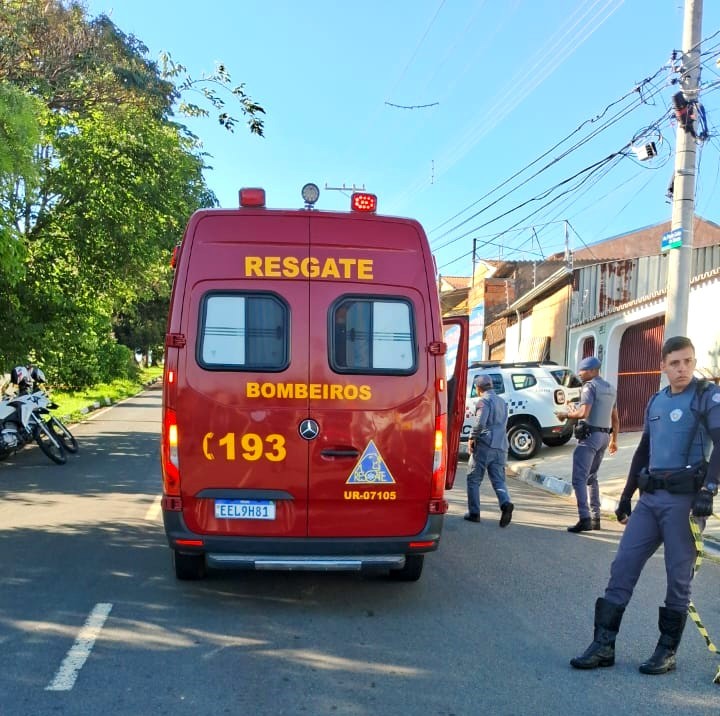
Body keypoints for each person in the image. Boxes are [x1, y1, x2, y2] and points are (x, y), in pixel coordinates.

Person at [570, 336, 720, 675]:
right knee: (622, 566)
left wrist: (709, 490)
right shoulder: (657, 401)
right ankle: (603, 645)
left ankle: (666, 651)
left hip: (685, 503)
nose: (682, 368)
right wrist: (626, 495)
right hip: (650, 500)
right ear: (663, 366)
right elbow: (643, 451)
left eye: (688, 361)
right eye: (675, 363)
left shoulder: (707, 397)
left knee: (677, 578)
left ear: (693, 362)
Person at [556, 355, 619, 533]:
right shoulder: (610, 388)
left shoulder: (589, 387)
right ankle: (595, 518)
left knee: (579, 479)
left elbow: (584, 413)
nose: (580, 373)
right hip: (604, 437)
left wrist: (565, 415)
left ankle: (584, 518)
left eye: (583, 370)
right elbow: (615, 418)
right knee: (592, 478)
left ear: (592, 371)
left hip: (590, 437)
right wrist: (614, 440)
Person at [465, 374, 514, 527]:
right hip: (502, 445)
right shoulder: (501, 401)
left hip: (486, 445)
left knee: (473, 479)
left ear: (478, 388)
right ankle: (505, 503)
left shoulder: (483, 401)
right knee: (499, 480)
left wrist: (472, 438)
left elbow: (480, 423)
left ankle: (474, 513)